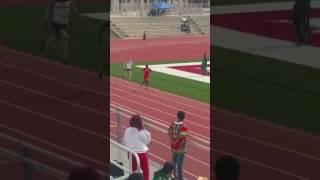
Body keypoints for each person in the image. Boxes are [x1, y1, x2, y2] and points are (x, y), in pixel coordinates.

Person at [41, 0, 78, 65]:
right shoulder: (55, 1)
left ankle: (46, 43)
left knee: (57, 37)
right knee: (66, 37)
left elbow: (73, 5)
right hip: (56, 23)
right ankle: (64, 58)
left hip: (64, 24)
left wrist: (74, 9)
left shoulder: (70, 1)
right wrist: (45, 20)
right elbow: (48, 6)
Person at [123, 115, 151, 180]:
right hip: (141, 155)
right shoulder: (141, 131)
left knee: (134, 173)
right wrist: (143, 129)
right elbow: (148, 140)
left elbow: (124, 142)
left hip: (131, 154)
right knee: (145, 173)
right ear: (140, 122)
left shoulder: (127, 130)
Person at [167, 111, 188, 180]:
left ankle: (173, 174)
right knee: (180, 163)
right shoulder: (183, 127)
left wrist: (174, 141)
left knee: (174, 161)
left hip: (173, 146)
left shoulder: (173, 124)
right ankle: (180, 177)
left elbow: (169, 132)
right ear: (184, 117)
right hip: (180, 148)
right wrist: (182, 148)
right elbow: (182, 138)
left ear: (177, 116)